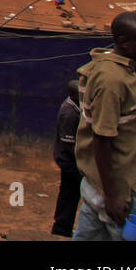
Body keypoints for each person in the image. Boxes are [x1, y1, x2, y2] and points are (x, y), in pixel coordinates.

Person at [72, 12, 136, 241]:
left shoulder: (116, 69)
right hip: (122, 188)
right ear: (124, 43)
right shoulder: (113, 81)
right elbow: (102, 138)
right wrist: (113, 196)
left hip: (98, 184)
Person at [52, 80, 81, 238]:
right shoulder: (69, 113)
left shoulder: (75, 107)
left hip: (71, 159)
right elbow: (68, 145)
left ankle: (64, 227)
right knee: (69, 195)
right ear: (74, 96)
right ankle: (61, 229)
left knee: (71, 195)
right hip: (69, 161)